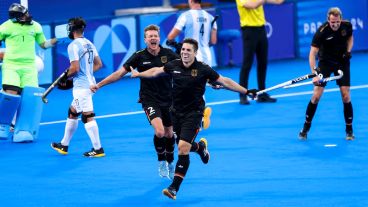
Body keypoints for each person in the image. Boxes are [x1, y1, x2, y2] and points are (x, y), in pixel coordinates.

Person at [131, 38, 257, 200]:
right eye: (183, 50)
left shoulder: (203, 69)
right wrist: (139, 74)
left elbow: (224, 81)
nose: (184, 52)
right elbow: (155, 71)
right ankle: (200, 148)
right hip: (175, 113)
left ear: (195, 53)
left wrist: (246, 92)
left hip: (194, 114)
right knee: (186, 146)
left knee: (182, 147)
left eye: (188, 50)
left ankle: (174, 188)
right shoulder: (173, 65)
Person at [90, 25, 179, 178]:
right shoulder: (138, 56)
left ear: (159, 38)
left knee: (170, 135)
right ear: (145, 40)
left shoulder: (169, 54)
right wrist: (99, 85)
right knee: (160, 131)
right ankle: (161, 161)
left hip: (168, 99)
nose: (153, 38)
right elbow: (119, 74)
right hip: (149, 98)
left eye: (155, 36)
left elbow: (184, 70)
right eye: (149, 36)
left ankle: (170, 161)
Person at [51, 17, 105, 157]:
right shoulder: (89, 43)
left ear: (72, 29)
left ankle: (98, 149)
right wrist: (85, 72)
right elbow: (98, 64)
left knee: (88, 116)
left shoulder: (73, 45)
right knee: (73, 112)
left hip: (82, 88)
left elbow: (74, 68)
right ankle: (64, 145)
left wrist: (65, 77)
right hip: (89, 84)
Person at [299, 7, 354, 141]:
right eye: (332, 22)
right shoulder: (321, 32)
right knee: (316, 96)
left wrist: (348, 51)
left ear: (340, 19)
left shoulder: (347, 25)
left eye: (337, 22)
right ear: (328, 21)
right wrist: (314, 73)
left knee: (346, 96)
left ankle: (349, 130)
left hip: (342, 62)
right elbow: (312, 53)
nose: (335, 25)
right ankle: (305, 128)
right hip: (325, 63)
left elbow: (350, 37)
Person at [0, 3, 57, 131]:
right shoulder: (4, 28)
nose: (27, 15)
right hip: (11, 66)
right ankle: (3, 126)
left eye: (26, 13)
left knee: (30, 98)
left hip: (29, 67)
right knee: (10, 94)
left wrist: (56, 40)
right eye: (24, 15)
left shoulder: (36, 26)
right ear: (16, 18)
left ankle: (24, 129)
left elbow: (43, 44)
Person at [167, 0, 218, 129]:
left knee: (188, 86)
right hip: (207, 55)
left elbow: (171, 36)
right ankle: (200, 117)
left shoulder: (186, 16)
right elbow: (213, 41)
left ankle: (196, 119)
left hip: (192, 55)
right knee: (200, 87)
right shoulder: (211, 17)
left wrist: (175, 44)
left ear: (190, 1)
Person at [235, 0, 284, 105]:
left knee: (263, 63)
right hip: (248, 30)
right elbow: (252, 5)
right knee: (247, 64)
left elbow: (279, 1)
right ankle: (242, 95)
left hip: (261, 29)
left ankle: (262, 94)